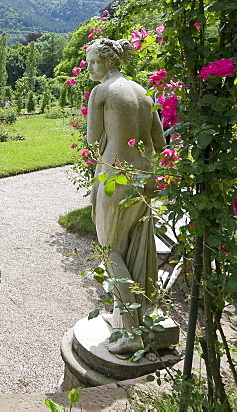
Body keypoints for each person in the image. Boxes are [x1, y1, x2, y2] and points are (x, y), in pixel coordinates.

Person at [86, 38, 166, 355]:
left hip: (115, 177)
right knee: (134, 245)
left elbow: (92, 140)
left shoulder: (102, 92)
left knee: (109, 250)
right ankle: (130, 315)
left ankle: (131, 331)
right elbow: (159, 142)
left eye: (94, 62)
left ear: (108, 62)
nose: (90, 68)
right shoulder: (143, 91)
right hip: (146, 177)